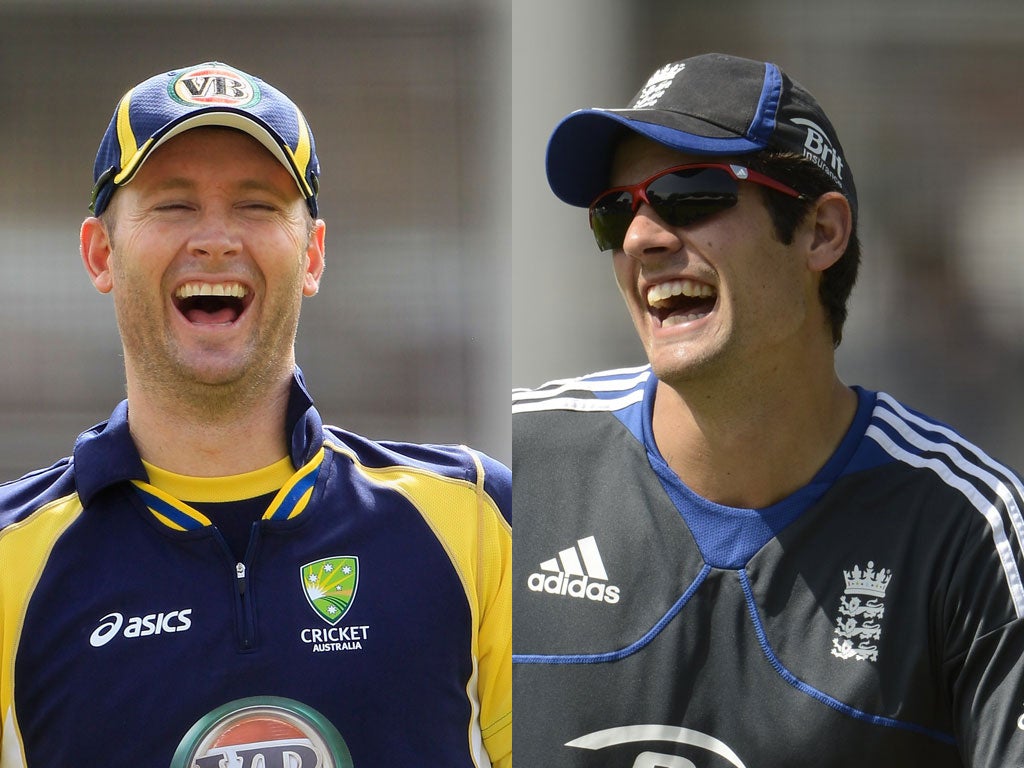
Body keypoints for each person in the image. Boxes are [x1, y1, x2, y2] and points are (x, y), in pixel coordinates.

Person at [511, 52, 1024, 767]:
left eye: (690, 193)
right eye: (615, 211)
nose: (640, 238)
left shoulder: (973, 532)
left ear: (821, 233)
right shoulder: (512, 475)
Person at [0, 61, 510, 767]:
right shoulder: (8, 559)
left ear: (313, 254)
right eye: (174, 205)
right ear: (100, 253)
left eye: (258, 205)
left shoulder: (481, 520)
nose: (216, 239)